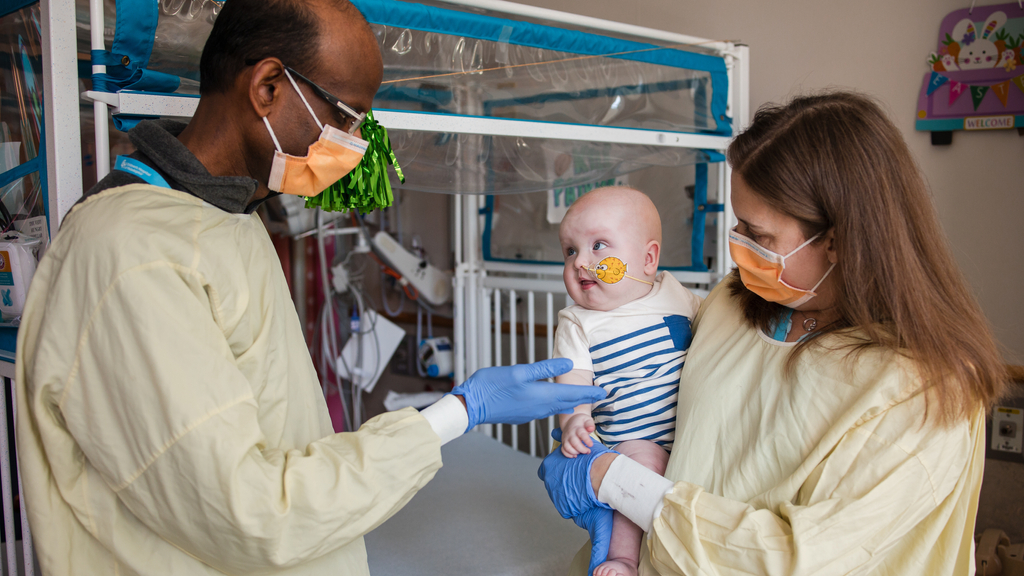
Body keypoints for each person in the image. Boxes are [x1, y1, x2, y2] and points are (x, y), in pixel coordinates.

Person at [14, 1, 606, 575]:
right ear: (268, 87)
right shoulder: (132, 251)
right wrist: (457, 414)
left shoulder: (230, 216)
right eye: (346, 117)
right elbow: (247, 513)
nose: (354, 145)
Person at [538, 91, 1008, 576]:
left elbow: (798, 560)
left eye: (757, 235)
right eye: (738, 225)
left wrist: (615, 479)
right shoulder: (731, 304)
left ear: (837, 240)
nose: (737, 246)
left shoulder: (923, 393)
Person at [553, 186, 700, 576]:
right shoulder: (578, 322)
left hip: (689, 434)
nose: (581, 262)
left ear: (648, 259)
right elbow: (574, 379)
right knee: (641, 471)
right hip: (632, 440)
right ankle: (623, 557)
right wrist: (575, 420)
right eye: (570, 251)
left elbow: (712, 333)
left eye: (598, 245)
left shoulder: (677, 296)